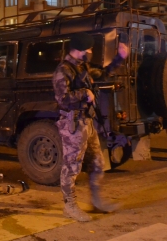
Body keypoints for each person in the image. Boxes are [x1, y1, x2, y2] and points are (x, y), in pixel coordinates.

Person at [53, 32, 129, 222]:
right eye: (89, 49)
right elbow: (62, 100)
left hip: (87, 122)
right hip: (73, 124)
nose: (91, 52)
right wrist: (83, 93)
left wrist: (120, 58)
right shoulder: (63, 70)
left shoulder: (82, 67)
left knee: (97, 163)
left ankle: (97, 202)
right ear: (80, 50)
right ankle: (70, 206)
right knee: (71, 167)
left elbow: (103, 74)